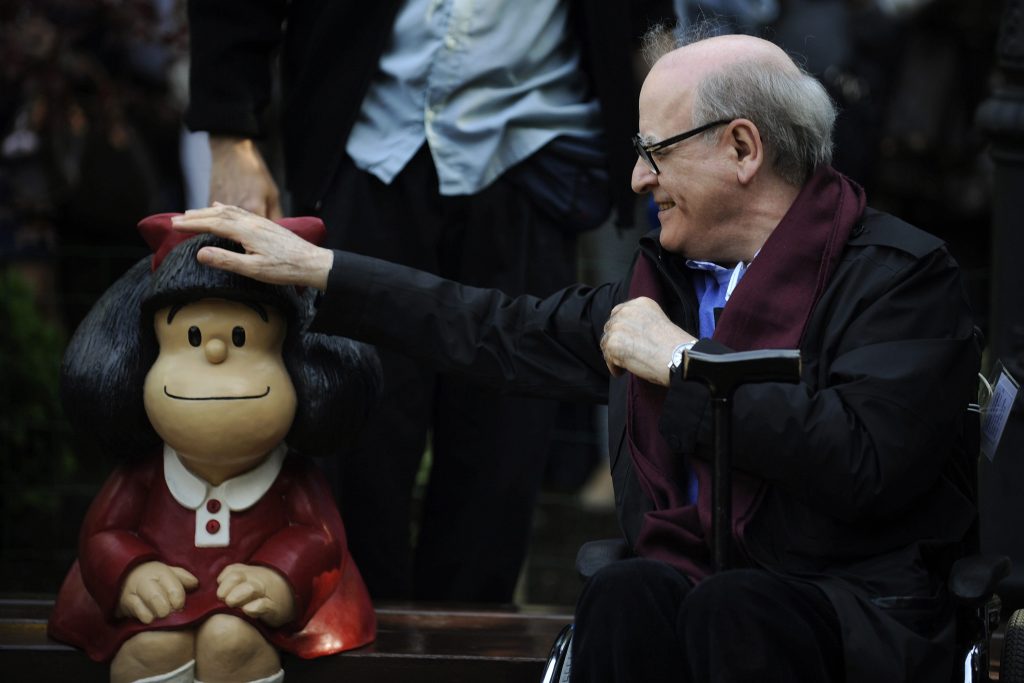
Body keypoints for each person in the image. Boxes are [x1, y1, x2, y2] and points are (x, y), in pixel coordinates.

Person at [173, 29, 980, 682]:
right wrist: (321, 269)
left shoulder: (902, 275)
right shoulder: (663, 284)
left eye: (655, 151)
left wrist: (689, 365)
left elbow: (867, 463)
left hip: (847, 609)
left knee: (730, 608)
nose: (635, 178)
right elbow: (489, 326)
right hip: (701, 597)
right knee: (628, 592)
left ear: (743, 148)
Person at [184, 0, 676, 603]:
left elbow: (649, 21)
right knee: (350, 426)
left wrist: (673, 141)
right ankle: (351, 642)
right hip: (364, 149)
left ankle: (470, 654)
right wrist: (230, 135)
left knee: (503, 446)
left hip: (532, 158)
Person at [49, 216, 378, 683]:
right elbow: (103, 533)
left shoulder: (290, 477)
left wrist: (280, 576)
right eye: (192, 338)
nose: (216, 357)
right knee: (148, 649)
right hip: (162, 611)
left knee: (232, 641)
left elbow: (319, 539)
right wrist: (129, 573)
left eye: (242, 338)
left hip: (257, 615)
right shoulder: (147, 474)